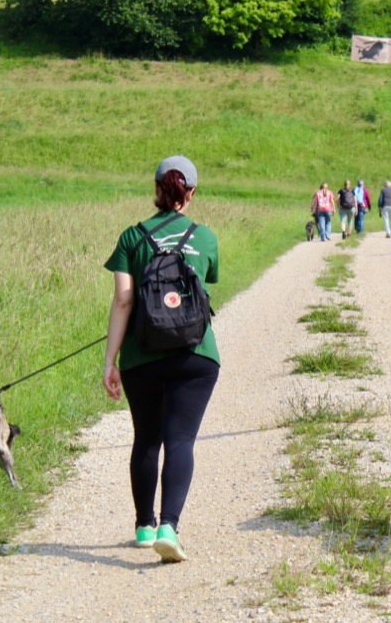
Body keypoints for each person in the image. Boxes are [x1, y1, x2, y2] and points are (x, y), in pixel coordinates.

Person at [102, 155, 221, 564]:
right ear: (191, 193)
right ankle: (169, 526)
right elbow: (206, 282)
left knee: (147, 438)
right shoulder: (204, 238)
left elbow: (123, 300)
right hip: (195, 355)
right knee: (180, 439)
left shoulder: (131, 238)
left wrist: (110, 361)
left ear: (156, 189)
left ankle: (144, 526)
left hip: (142, 355)